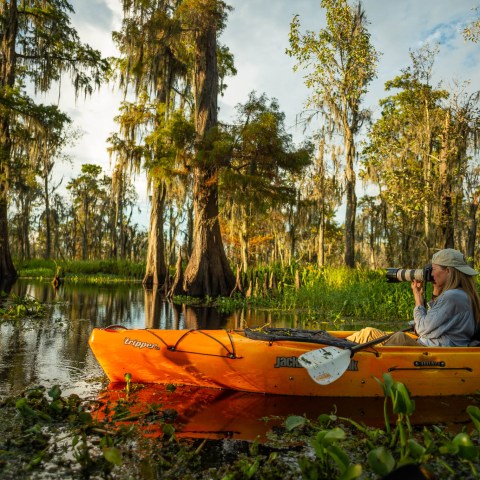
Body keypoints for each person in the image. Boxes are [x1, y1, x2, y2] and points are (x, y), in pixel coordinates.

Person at [346, 249, 480, 346]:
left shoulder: (452, 296)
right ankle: (335, 347)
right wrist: (435, 292)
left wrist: (418, 301)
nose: (430, 274)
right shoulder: (463, 294)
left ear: (448, 271)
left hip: (430, 354)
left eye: (433, 269)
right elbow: (435, 327)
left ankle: (333, 351)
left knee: (371, 334)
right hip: (434, 349)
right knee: (369, 332)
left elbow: (422, 328)